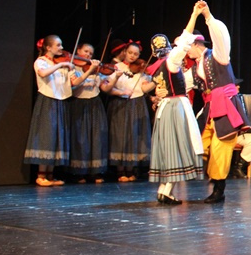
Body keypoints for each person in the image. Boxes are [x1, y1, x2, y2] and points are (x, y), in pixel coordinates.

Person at [186, 0, 251, 203]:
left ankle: (219, 189)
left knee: (221, 147)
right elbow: (181, 83)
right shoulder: (194, 67)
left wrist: (208, 17)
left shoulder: (217, 55)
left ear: (196, 44)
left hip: (225, 105)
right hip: (210, 108)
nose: (186, 52)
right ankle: (209, 177)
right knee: (199, 143)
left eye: (188, 47)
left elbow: (221, 37)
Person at [145, 31, 203, 204]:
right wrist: (193, 18)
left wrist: (156, 94)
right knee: (177, 146)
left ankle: (164, 190)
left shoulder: (156, 68)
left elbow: (144, 87)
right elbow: (184, 44)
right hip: (175, 106)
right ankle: (167, 190)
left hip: (165, 107)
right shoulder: (171, 62)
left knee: (169, 146)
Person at [23, 35, 76, 186]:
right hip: (47, 100)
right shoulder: (41, 62)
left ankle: (50, 175)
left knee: (56, 136)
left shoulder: (60, 63)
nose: (61, 48)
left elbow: (74, 83)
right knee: (46, 136)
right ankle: (41, 175)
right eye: (58, 45)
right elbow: (43, 73)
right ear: (48, 47)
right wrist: (61, 65)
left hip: (60, 101)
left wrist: (90, 70)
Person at [102, 39, 153, 182]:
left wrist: (154, 80)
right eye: (130, 52)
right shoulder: (116, 67)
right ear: (124, 52)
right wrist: (121, 90)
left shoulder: (140, 69)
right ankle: (120, 171)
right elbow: (108, 88)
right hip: (120, 103)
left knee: (134, 135)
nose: (132, 56)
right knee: (120, 136)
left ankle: (131, 169)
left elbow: (144, 88)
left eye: (136, 54)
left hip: (137, 104)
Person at [68, 42, 117, 183]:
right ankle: (79, 172)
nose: (88, 55)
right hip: (78, 103)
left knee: (96, 137)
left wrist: (116, 77)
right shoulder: (72, 67)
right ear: (78, 50)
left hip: (95, 103)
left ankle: (95, 171)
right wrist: (90, 71)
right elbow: (74, 85)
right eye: (85, 51)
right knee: (80, 138)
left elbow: (105, 88)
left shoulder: (96, 70)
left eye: (90, 53)